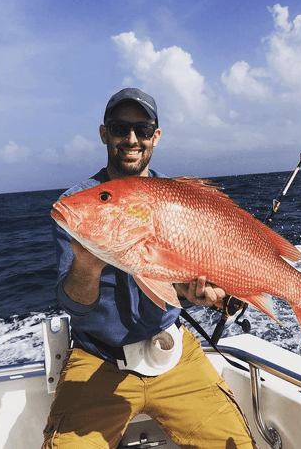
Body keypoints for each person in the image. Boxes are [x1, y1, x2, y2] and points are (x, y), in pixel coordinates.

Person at [43, 88, 258, 449]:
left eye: (142, 130)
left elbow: (177, 288)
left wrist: (190, 296)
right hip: (98, 359)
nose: (131, 139)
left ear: (155, 137)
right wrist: (87, 266)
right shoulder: (77, 205)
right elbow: (74, 305)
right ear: (104, 134)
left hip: (173, 352)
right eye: (119, 128)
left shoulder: (176, 199)